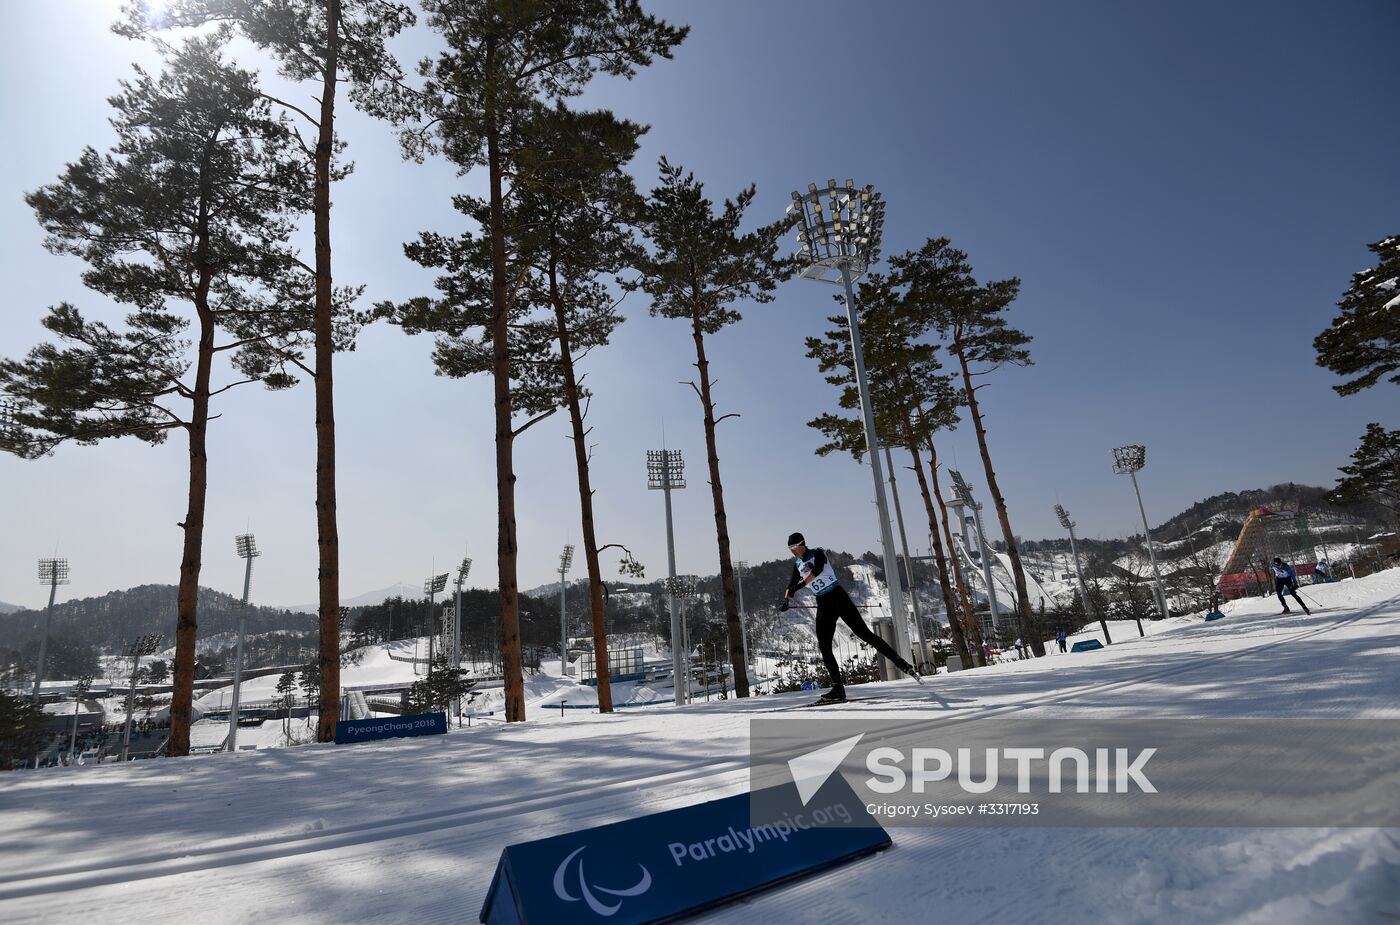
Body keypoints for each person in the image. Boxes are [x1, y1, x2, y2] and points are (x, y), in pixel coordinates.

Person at [782, 532, 920, 703]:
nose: (792, 552)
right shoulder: (797, 565)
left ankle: (901, 663)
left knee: (864, 634)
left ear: (802, 545)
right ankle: (838, 688)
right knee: (824, 647)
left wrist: (800, 585)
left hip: (838, 597)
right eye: (790, 549)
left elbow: (816, 571)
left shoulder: (817, 552)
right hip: (824, 604)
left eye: (794, 548)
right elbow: (790, 585)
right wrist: (786, 599)